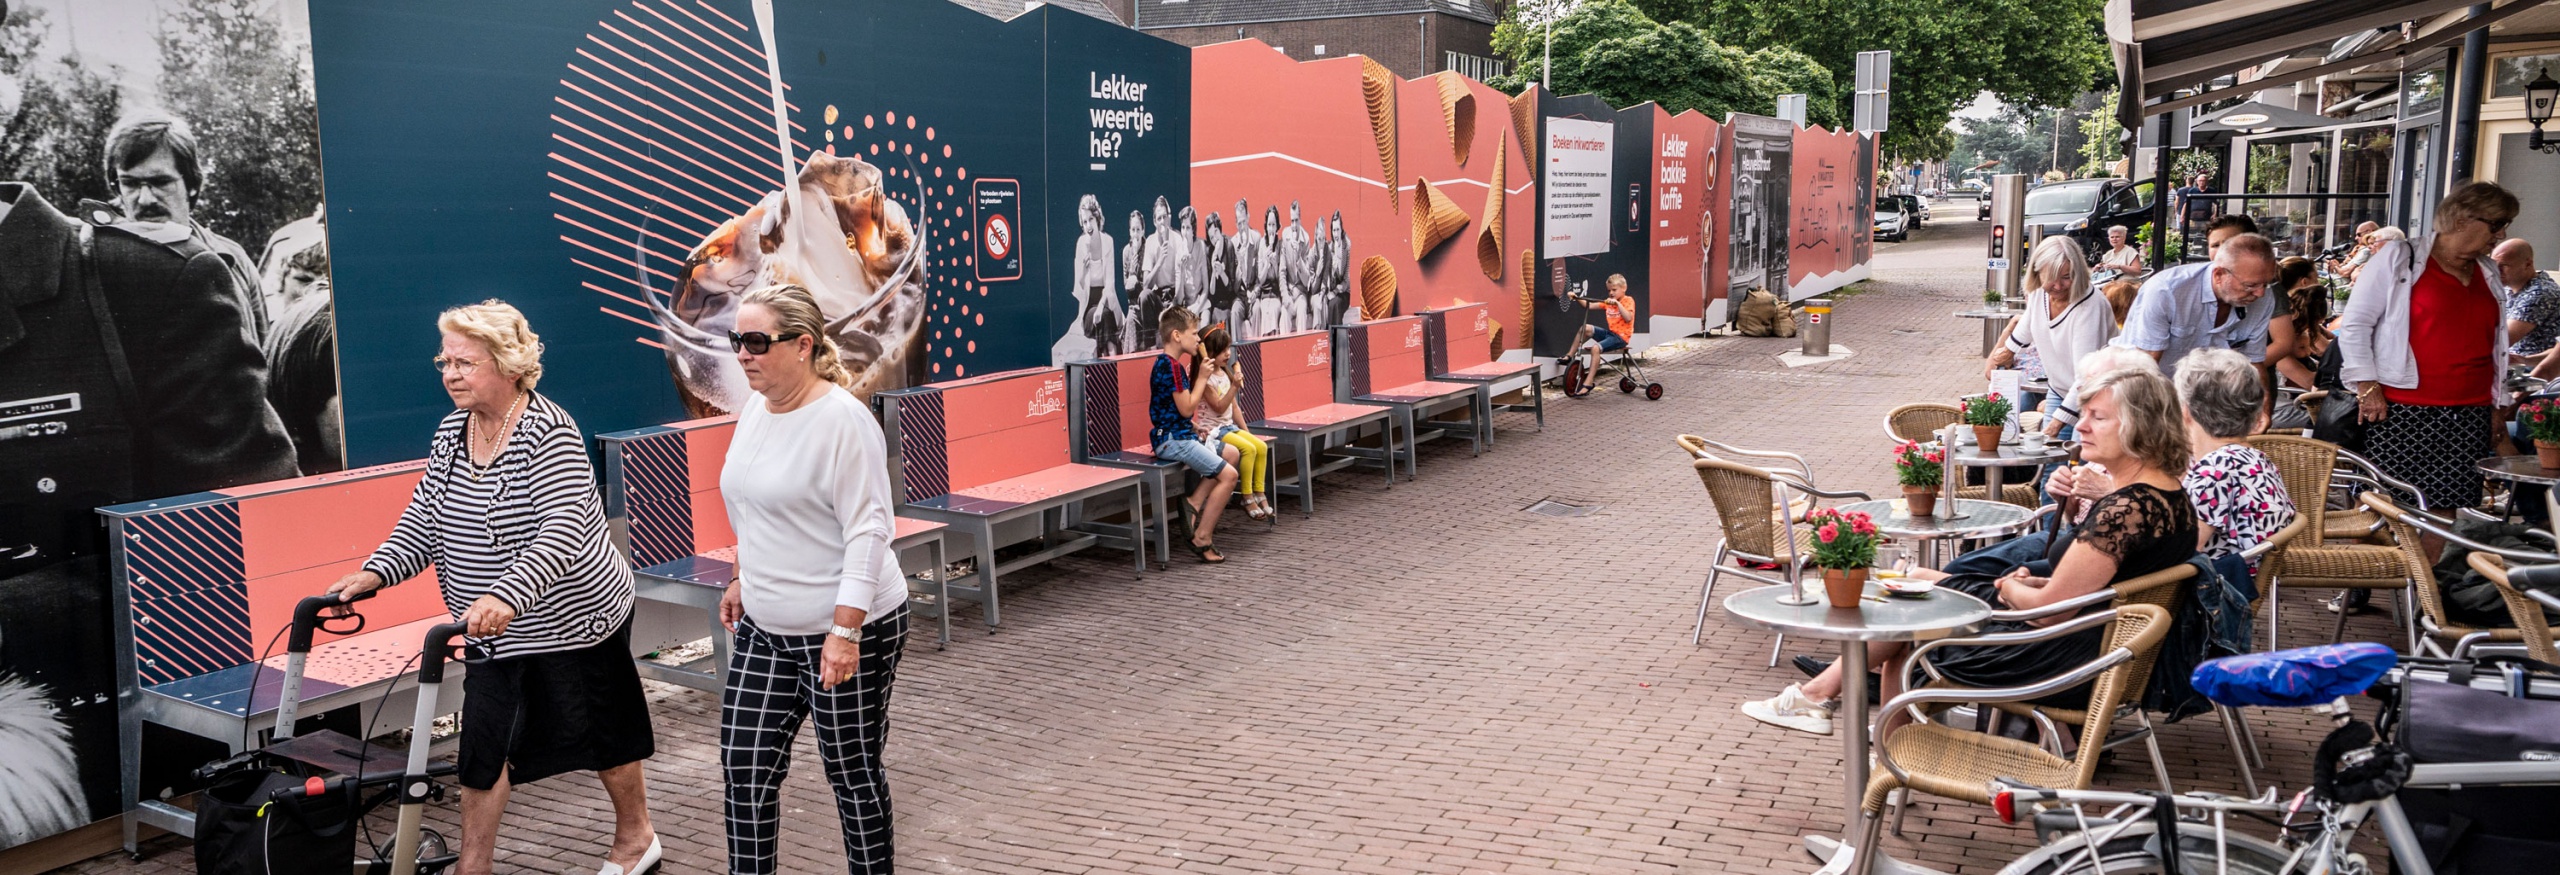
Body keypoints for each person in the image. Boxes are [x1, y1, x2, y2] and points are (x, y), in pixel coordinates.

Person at [327, 300, 658, 875]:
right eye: (444, 361)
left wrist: (508, 594)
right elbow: (426, 519)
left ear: (508, 364)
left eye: (465, 362)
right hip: (490, 630)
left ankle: (637, 837)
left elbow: (563, 529)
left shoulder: (549, 431)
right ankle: (472, 867)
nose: (450, 374)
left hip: (576, 618)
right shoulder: (452, 432)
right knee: (482, 747)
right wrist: (376, 571)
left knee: (605, 732)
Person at [1747, 366, 2198, 735]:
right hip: (2100, 649)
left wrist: (2013, 587)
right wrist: (2035, 584)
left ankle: (1874, 750)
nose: (2080, 425)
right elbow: (2097, 588)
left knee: (1908, 612)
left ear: (2142, 425)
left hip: (2055, 657)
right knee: (1914, 592)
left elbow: (2048, 613)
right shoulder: (2170, 499)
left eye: (2098, 416)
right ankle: (1838, 714)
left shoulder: (2126, 509)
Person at [714, 284, 909, 875]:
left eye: (755, 341)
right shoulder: (755, 408)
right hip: (766, 626)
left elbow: (869, 530)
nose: (742, 354)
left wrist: (845, 631)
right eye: (735, 341)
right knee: (744, 770)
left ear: (803, 345)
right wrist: (743, 575)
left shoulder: (842, 420)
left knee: (850, 772)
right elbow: (752, 504)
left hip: (848, 629)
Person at [2338, 181, 2517, 514]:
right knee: (2386, 506)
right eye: (2496, 225)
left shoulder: (2488, 270)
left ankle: (2424, 569)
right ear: (2462, 219)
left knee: (2448, 506)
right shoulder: (2400, 256)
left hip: (2470, 410)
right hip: (2401, 407)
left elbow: (2495, 345)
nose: (2501, 235)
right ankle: (2380, 567)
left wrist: (2496, 405)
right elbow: (2356, 324)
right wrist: (2366, 385)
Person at [105, 114, 267, 342]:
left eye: (160, 182)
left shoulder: (233, 259)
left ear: (191, 184)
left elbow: (267, 356)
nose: (145, 199)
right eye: (130, 183)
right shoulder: (100, 265)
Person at [2115, 233, 2281, 402]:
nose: (2260, 293)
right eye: (2250, 285)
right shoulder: (2166, 290)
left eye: (2266, 284)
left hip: (2200, 396)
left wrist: (2263, 409)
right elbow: (2145, 366)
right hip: (2138, 386)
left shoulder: (2264, 297)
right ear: (2219, 275)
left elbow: (2253, 363)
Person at [1150, 306, 1241, 562]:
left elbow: (1167, 409)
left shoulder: (1168, 365)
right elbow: (1187, 406)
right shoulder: (1173, 368)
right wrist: (1202, 376)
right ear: (1177, 336)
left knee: (1232, 454)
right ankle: (1202, 536)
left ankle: (1194, 501)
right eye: (1194, 334)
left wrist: (1192, 426)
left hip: (1179, 434)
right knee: (1229, 476)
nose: (1198, 339)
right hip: (1171, 441)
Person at [2005, 237, 2115, 439]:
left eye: (2066, 276)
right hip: (2060, 389)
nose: (2058, 285)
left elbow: (2086, 375)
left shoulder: (2089, 306)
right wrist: (2005, 353)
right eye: (2051, 278)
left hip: (2097, 396)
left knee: (2078, 460)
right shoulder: (2039, 292)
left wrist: (2058, 422)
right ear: (2037, 274)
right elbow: (2027, 325)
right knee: (2049, 465)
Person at [1192, 325, 1274, 521]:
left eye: (1228, 349)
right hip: (1213, 431)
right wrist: (1235, 387)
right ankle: (1246, 496)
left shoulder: (1225, 373)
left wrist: (1247, 433)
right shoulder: (1204, 379)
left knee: (1260, 446)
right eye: (1221, 350)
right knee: (1248, 450)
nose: (1227, 354)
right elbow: (1219, 407)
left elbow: (1234, 408)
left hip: (1229, 427)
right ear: (1208, 352)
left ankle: (1259, 492)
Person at [2263, 257, 2337, 432]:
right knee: (2336, 418)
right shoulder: (2279, 346)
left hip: (2295, 402)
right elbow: (2309, 382)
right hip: (2281, 411)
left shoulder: (2294, 333)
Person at [2495, 239, 2560, 379]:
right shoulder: (2507, 289)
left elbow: (2502, 340)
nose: (2496, 271)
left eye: (2504, 265)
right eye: (2494, 265)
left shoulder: (2540, 293)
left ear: (2528, 264)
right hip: (2515, 367)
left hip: (2535, 374)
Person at [1074, 195, 1126, 357]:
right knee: (1100, 319)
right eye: (1084, 222)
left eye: (1091, 219)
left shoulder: (1108, 241)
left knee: (1104, 316)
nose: (1088, 225)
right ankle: (1105, 369)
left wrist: (1102, 307)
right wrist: (1083, 268)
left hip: (1106, 300)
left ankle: (1113, 367)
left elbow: (1110, 283)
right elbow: (1079, 287)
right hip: (1089, 304)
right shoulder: (1081, 244)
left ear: (1097, 219)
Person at [1569, 275, 1638, 394]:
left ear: (1624, 288)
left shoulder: (1628, 300)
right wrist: (1576, 297)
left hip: (1621, 337)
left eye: (1614, 290)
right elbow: (1588, 305)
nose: (1611, 293)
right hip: (1610, 334)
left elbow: (1628, 318)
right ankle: (1569, 356)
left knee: (1595, 348)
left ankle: (1588, 383)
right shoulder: (1608, 302)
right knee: (1585, 328)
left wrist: (1617, 304)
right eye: (1609, 290)